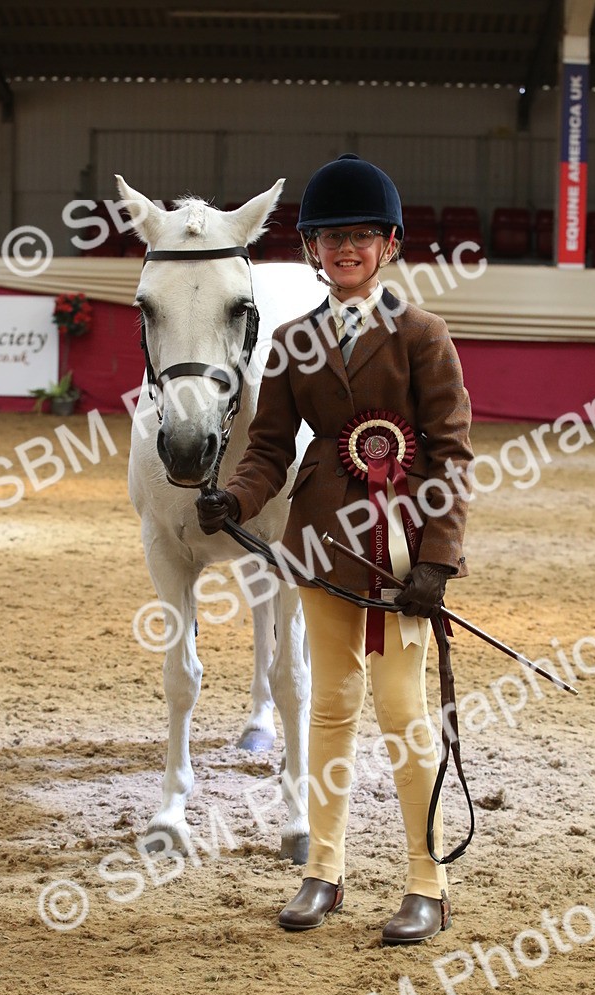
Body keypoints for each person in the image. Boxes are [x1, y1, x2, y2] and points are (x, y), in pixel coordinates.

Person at [197, 153, 473, 944]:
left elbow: (451, 454)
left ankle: (427, 882)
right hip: (320, 546)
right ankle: (324, 869)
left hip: (400, 554)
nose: (344, 249)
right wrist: (236, 499)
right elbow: (269, 450)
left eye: (359, 236)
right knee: (328, 709)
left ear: (387, 246)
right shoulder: (291, 339)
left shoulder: (423, 334)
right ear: (313, 250)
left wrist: (438, 561)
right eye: (329, 237)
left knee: (401, 711)